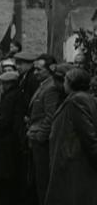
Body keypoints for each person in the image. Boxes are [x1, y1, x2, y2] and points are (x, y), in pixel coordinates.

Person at [45, 68, 97, 205]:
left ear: (71, 83)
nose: (63, 84)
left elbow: (88, 134)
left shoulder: (76, 100)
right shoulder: (85, 97)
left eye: (66, 81)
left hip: (73, 161)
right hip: (73, 158)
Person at [26, 54, 62, 205]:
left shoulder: (51, 88)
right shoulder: (44, 86)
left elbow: (51, 116)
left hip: (42, 143)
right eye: (34, 69)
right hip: (35, 138)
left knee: (43, 181)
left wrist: (40, 136)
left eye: (39, 70)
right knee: (37, 180)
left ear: (50, 70)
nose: (35, 73)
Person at [13, 52, 40, 205]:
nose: (17, 67)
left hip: (27, 124)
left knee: (28, 165)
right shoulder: (25, 78)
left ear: (30, 64)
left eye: (20, 63)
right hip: (22, 124)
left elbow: (31, 101)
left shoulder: (31, 79)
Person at [0, 71, 21, 205]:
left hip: (6, 138)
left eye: (3, 83)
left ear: (9, 84)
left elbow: (5, 119)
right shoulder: (16, 94)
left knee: (5, 171)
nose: (2, 86)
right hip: (11, 137)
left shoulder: (9, 97)